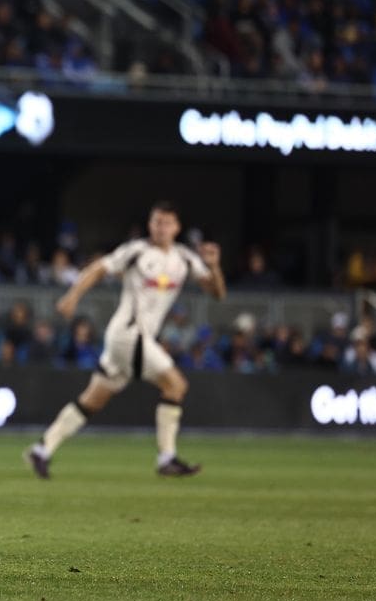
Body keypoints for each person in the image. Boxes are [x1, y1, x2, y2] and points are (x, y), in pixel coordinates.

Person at [26, 201, 226, 479]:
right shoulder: (137, 251)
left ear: (177, 227)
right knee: (176, 385)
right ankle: (166, 457)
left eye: (167, 222)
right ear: (149, 225)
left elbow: (217, 294)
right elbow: (99, 268)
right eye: (157, 222)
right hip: (129, 334)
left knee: (92, 400)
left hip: (131, 339)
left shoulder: (185, 258)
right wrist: (72, 296)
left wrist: (214, 267)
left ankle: (42, 449)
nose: (161, 228)